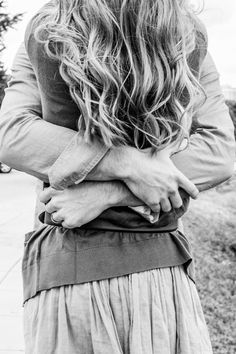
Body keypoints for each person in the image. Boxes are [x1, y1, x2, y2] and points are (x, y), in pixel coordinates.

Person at [0, 0, 235, 353]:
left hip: (69, 267)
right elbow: (219, 151)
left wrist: (107, 193)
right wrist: (131, 164)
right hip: (160, 269)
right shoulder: (186, 32)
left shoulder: (49, 28)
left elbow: (11, 134)